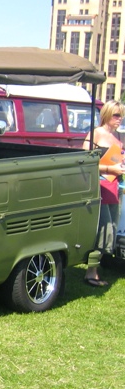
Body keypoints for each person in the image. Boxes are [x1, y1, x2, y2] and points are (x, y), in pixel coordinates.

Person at [82, 100, 125, 286]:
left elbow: (119, 162)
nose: (120, 119)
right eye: (116, 115)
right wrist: (110, 168)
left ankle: (95, 269)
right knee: (103, 228)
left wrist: (120, 168)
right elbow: (84, 162)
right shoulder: (95, 134)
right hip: (98, 188)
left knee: (111, 228)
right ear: (106, 114)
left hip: (115, 187)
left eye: (121, 115)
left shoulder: (118, 137)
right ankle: (91, 273)